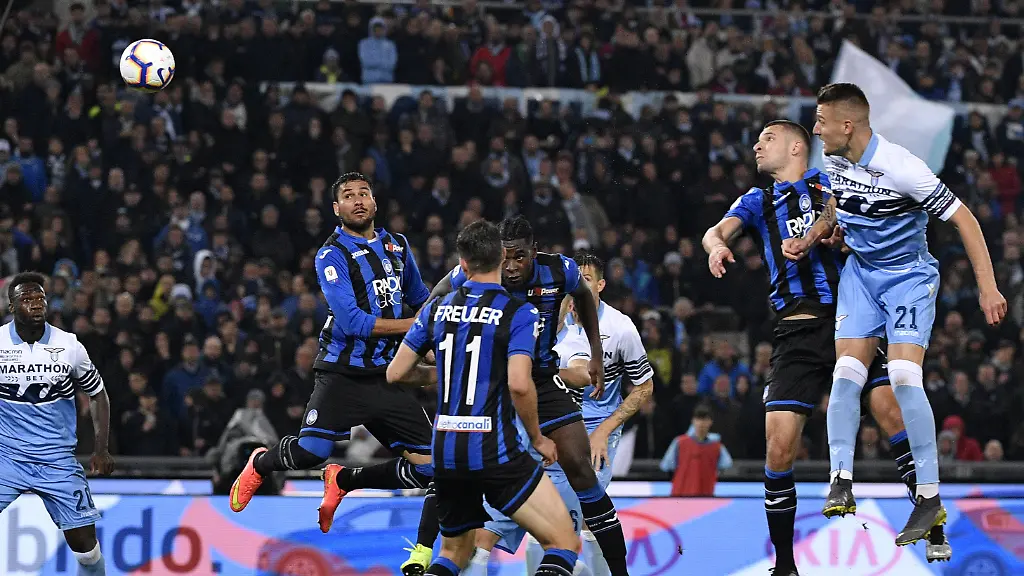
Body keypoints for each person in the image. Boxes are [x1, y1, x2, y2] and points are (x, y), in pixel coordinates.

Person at [703, 120, 947, 573]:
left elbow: (857, 220)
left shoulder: (831, 183)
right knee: (779, 446)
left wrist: (838, 237)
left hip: (849, 323)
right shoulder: (757, 200)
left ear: (797, 147)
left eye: (768, 138)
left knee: (893, 413)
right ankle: (784, 565)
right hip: (795, 333)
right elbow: (715, 231)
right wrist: (716, 247)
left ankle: (933, 522)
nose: (756, 145)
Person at [786, 83, 1006, 548]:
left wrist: (987, 287)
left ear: (848, 125)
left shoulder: (904, 168)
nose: (816, 130)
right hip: (860, 275)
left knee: (904, 376)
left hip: (907, 277)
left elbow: (966, 220)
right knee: (847, 372)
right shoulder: (835, 159)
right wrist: (811, 237)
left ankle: (928, 498)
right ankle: (841, 480)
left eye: (822, 121)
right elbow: (836, 204)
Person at [228, 173, 440, 575]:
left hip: (387, 376)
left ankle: (346, 480)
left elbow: (421, 301)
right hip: (343, 374)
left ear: (374, 202)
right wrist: (418, 328)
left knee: (434, 467)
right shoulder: (331, 254)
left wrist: (431, 341)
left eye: (364, 193)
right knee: (311, 453)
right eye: (348, 196)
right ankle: (261, 463)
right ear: (336, 208)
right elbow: (355, 322)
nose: (357, 200)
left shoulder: (397, 245)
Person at [430, 216, 633, 575]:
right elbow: (436, 298)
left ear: (534, 252)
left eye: (519, 257)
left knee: (580, 466)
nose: (510, 266)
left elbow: (584, 297)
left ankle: (620, 573)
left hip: (541, 377)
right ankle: (426, 550)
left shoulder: (560, 270)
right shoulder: (483, 272)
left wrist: (597, 353)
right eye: (505, 257)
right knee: (455, 473)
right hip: (491, 384)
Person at [386, 220, 584, 576]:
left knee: (453, 552)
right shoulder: (519, 312)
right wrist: (537, 438)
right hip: (493, 449)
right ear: (500, 259)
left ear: (463, 264)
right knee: (564, 542)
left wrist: (445, 373)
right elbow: (520, 384)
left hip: (446, 447)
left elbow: (396, 373)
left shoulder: (436, 308)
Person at [0, 271, 115, 576]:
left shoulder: (69, 345)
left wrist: (101, 448)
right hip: (6, 456)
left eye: (40, 298)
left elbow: (98, 394)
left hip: (56, 459)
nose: (36, 303)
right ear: (12, 306)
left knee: (87, 551)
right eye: (27, 298)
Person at [659, 403, 733, 496]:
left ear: (710, 422)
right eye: (698, 419)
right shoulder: (680, 443)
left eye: (705, 419)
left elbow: (726, 465)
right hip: (680, 495)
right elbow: (667, 466)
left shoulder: (717, 447)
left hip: (705, 496)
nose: (701, 423)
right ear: (693, 421)